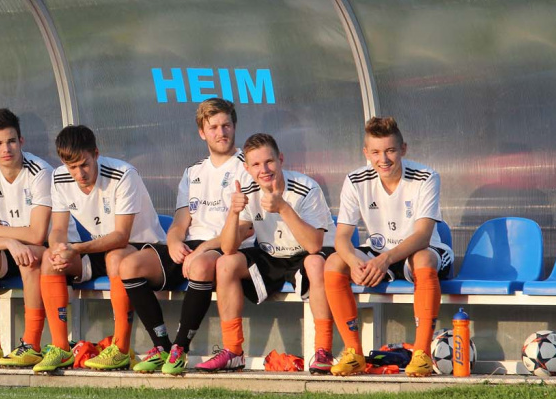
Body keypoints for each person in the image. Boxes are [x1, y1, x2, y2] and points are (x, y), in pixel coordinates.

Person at [118, 98, 251, 375]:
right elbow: (180, 222)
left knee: (200, 266)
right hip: (194, 246)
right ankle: (161, 347)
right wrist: (174, 242)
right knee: (129, 265)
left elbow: (247, 227)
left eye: (226, 125)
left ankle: (180, 349)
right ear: (202, 132)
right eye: (213, 127)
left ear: (234, 126)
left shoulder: (247, 166)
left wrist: (202, 250)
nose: (221, 132)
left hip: (228, 246)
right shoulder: (193, 172)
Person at [325, 116, 453, 377]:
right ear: (366, 153)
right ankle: (353, 354)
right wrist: (353, 262)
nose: (383, 159)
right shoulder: (355, 180)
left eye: (390, 150)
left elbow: (423, 236)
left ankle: (422, 354)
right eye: (375, 152)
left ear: (403, 149)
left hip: (422, 251)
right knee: (334, 262)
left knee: (423, 259)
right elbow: (341, 238)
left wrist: (384, 260)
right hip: (380, 253)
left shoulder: (427, 177)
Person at [37, 124, 165, 372]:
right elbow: (58, 229)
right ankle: (61, 349)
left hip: (141, 249)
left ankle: (121, 349)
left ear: (95, 154)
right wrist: (58, 249)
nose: (79, 173)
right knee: (48, 260)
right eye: (72, 167)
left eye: (84, 164)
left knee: (115, 257)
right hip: (97, 248)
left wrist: (76, 248)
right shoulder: (59, 177)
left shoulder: (123, 174)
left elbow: (121, 236)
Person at [209, 133, 336, 373]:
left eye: (269, 162)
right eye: (256, 164)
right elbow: (227, 247)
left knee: (314, 263)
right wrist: (233, 213)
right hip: (272, 255)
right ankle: (233, 352)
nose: (264, 170)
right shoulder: (248, 190)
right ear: (247, 168)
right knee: (226, 263)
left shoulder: (306, 187)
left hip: (310, 254)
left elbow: (314, 245)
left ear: (281, 160)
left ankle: (323, 351)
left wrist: (283, 208)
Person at [0, 108, 64, 368]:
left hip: (48, 251)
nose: (6, 149)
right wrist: (9, 242)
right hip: (12, 248)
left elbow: (37, 234)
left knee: (28, 256)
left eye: (11, 141)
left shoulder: (40, 171)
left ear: (21, 141)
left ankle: (31, 345)